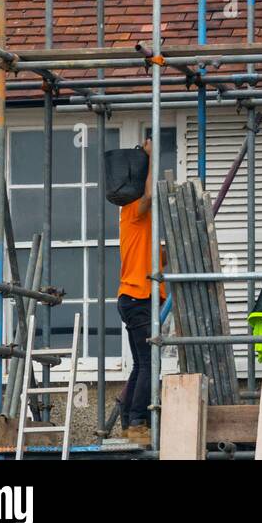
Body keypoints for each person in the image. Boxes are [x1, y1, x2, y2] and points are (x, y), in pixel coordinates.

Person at [116, 137, 164, 444]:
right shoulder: (133, 209)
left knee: (141, 363)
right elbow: (148, 194)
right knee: (149, 363)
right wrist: (152, 157)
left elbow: (159, 256)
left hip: (139, 298)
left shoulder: (148, 225)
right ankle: (137, 422)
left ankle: (127, 418)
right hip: (136, 297)